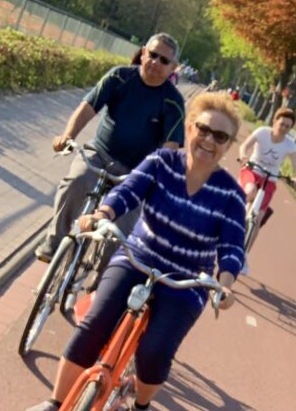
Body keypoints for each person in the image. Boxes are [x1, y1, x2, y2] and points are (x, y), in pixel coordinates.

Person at [22, 92, 245, 411]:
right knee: (94, 324)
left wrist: (226, 282)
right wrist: (102, 214)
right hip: (138, 255)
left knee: (154, 351)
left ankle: (140, 406)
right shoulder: (161, 162)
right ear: (190, 128)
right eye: (204, 129)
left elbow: (232, 245)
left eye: (220, 137)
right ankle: (55, 403)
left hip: (186, 281)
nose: (209, 141)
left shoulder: (231, 195)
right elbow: (128, 192)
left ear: (229, 145)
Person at [35, 33, 185, 263]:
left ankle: (100, 283)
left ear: (173, 67)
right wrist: (68, 136)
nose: (156, 62)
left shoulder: (173, 102)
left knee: (120, 236)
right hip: (99, 154)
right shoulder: (119, 76)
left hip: (135, 173)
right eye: (153, 55)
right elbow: (87, 108)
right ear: (143, 52)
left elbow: (170, 148)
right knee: (75, 182)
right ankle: (55, 242)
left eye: (164, 60)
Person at [237, 107, 296, 226]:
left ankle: (247, 244)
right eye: (282, 124)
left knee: (258, 220)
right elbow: (244, 146)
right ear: (274, 121)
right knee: (250, 190)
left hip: (270, 179)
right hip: (252, 170)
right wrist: (243, 155)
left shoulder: (290, 144)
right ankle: (232, 215)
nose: (283, 128)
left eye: (288, 127)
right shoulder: (262, 132)